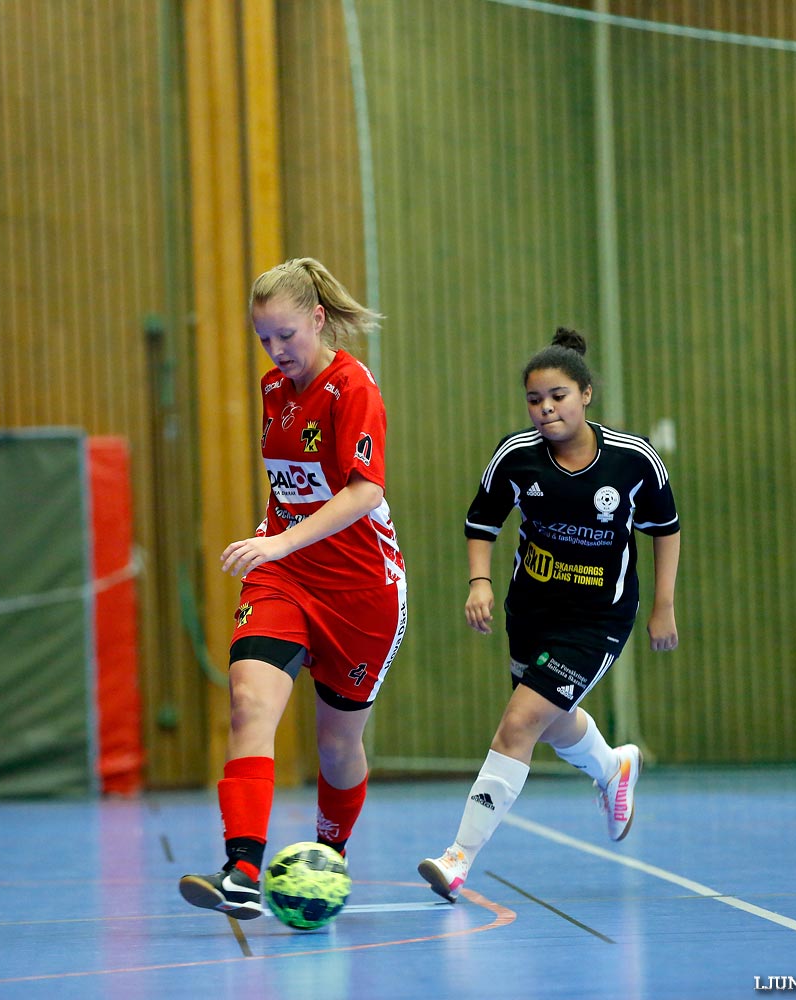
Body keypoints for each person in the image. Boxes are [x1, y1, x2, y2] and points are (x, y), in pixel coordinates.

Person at [179, 258, 408, 919]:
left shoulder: (352, 387)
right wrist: (273, 542)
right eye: (263, 339)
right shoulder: (274, 391)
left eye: (286, 335)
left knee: (337, 743)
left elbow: (367, 491)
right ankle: (243, 868)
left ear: (316, 318)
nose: (277, 352)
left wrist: (282, 538)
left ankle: (327, 854)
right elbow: (292, 484)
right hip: (285, 575)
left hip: (362, 589)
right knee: (248, 703)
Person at [418, 327, 680, 902]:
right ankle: (612, 767)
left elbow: (665, 530)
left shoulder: (634, 463)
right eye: (535, 400)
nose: (545, 409)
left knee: (519, 724)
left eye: (557, 396)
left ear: (586, 394)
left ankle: (458, 857)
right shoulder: (517, 458)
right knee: (554, 721)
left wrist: (662, 607)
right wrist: (479, 582)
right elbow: (481, 523)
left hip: (597, 619)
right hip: (531, 610)